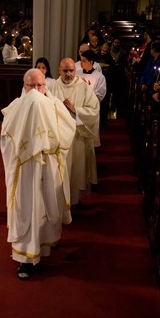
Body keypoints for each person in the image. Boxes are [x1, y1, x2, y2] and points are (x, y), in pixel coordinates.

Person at [0, 68, 76, 280]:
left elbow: (68, 132)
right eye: (31, 86)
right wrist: (24, 151)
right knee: (27, 209)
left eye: (39, 86)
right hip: (24, 170)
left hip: (47, 166)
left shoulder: (55, 106)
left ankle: (45, 244)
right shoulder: (15, 108)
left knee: (46, 206)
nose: (35, 90)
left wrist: (48, 146)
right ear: (24, 87)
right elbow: (5, 140)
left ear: (46, 86)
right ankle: (24, 259)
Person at [49, 58, 100, 207]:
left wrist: (75, 110)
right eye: (65, 71)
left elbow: (94, 111)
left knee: (77, 170)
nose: (69, 74)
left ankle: (76, 201)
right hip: (59, 138)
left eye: (71, 70)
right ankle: (60, 201)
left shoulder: (84, 88)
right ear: (59, 70)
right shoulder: (52, 88)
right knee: (61, 171)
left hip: (78, 137)